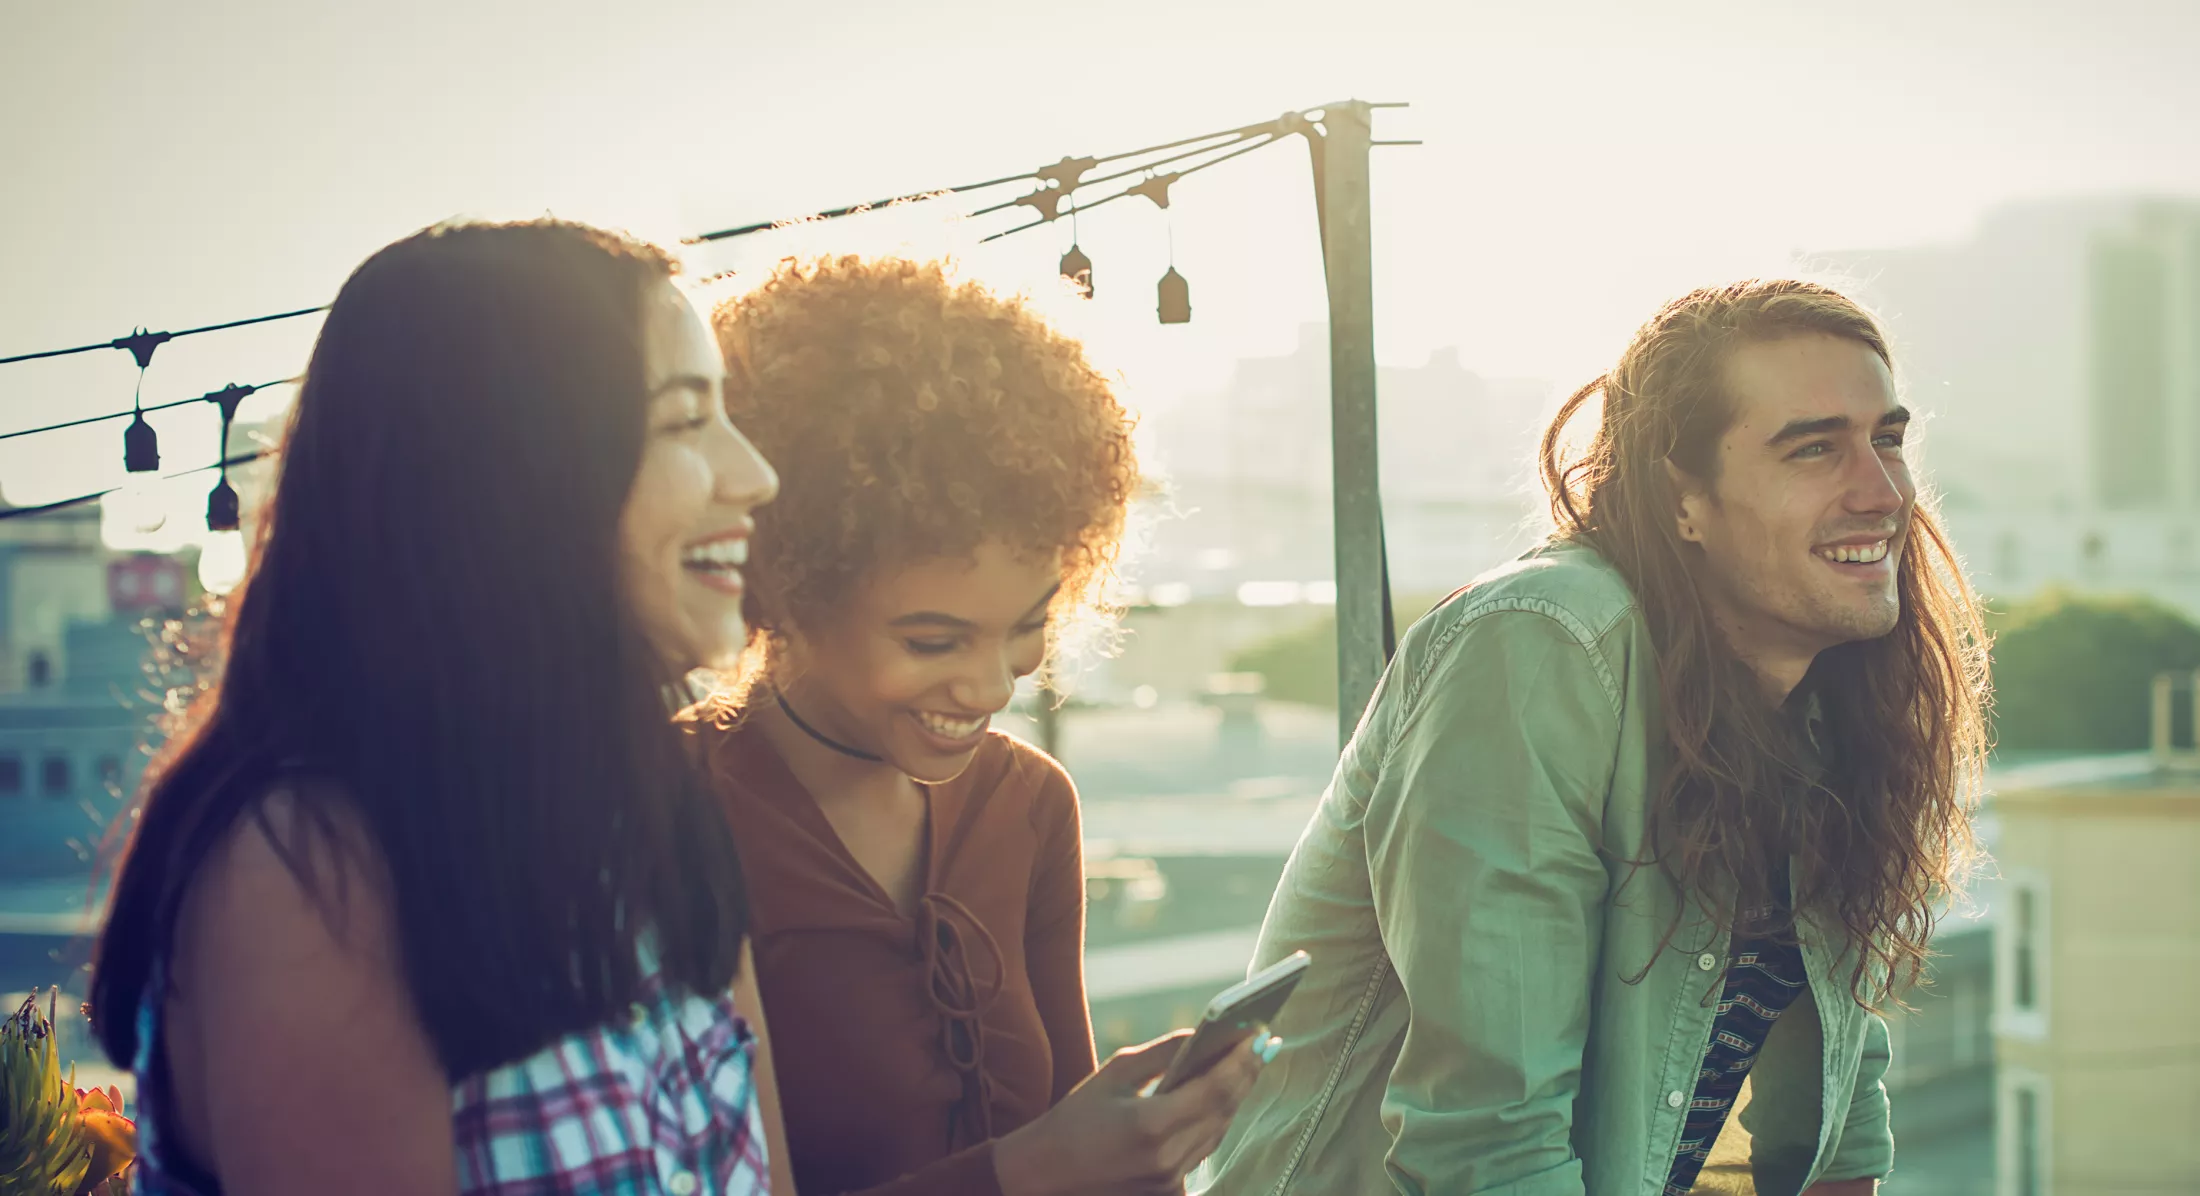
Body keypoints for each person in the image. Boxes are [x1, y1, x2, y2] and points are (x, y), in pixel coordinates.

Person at [1196, 280, 1991, 1196]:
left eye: (1887, 439)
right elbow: (1488, 1149)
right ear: (1682, 498)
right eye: (1813, 449)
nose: (1884, 492)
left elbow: (1841, 1114)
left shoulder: (1823, 704)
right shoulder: (1541, 645)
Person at [90, 219, 793, 1195]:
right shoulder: (311, 870)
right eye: (684, 419)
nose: (755, 473)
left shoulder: (653, 816)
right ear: (508, 473)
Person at [698, 255, 1267, 1196]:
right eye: (932, 641)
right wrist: (1034, 1171)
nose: (993, 686)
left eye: (1029, 626)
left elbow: (1074, 1140)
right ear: (788, 590)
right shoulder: (672, 816)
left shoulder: (1030, 803)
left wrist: (1143, 1151)